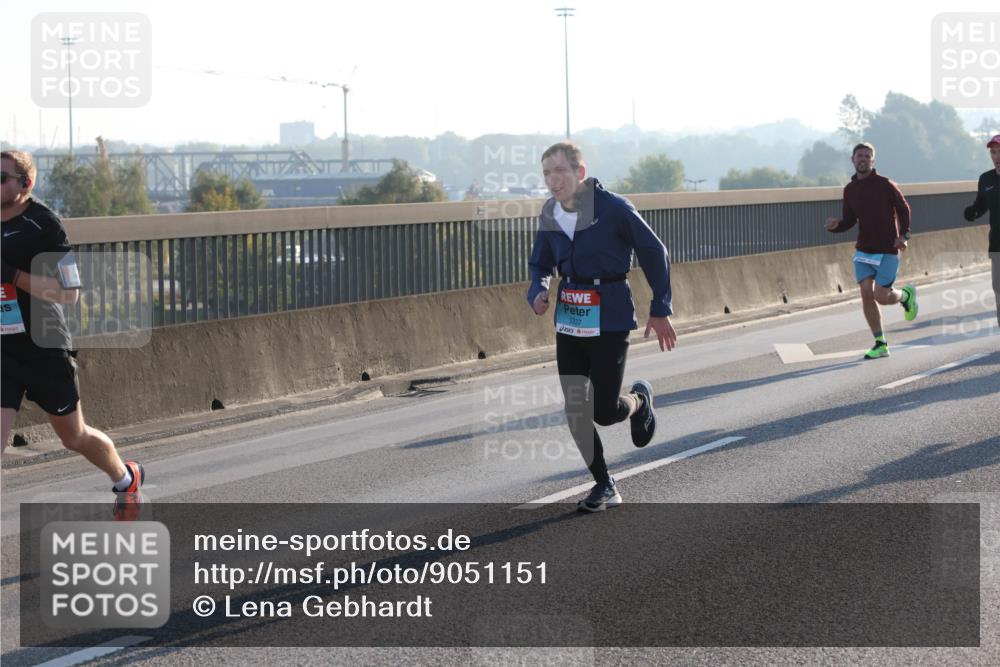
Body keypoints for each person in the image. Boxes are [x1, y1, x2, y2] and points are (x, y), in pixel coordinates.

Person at [527, 142, 676, 512]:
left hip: (609, 314)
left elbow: (654, 252)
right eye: (546, 173)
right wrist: (539, 289)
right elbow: (540, 263)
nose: (552, 180)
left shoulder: (613, 208)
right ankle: (604, 483)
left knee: (603, 412)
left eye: (559, 171)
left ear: (580, 173)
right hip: (570, 316)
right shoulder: (550, 212)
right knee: (576, 407)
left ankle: (639, 400)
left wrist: (660, 308)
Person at [1, 150, 144, 513]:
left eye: (1, 178)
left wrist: (14, 276)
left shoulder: (43, 223)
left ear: (24, 183)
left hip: (43, 346)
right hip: (3, 349)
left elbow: (69, 293)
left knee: (74, 436)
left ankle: (126, 479)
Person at [825, 142, 918, 359]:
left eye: (867, 156)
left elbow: (904, 209)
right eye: (859, 156)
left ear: (873, 161)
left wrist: (904, 235)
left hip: (887, 248)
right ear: (853, 159)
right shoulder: (850, 190)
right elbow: (849, 220)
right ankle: (880, 343)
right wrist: (836, 226)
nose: (863, 159)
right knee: (866, 293)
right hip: (864, 250)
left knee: (882, 297)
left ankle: (905, 296)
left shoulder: (885, 184)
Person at [963, 134, 1000, 328]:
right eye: (994, 152)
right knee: (998, 289)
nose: (997, 156)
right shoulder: (986, 179)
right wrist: (973, 212)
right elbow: (982, 204)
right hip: (997, 242)